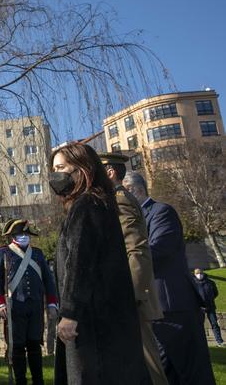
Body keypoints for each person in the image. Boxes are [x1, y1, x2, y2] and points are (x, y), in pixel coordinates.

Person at [50, 143, 146, 385]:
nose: (55, 175)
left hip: (91, 322)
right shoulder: (98, 203)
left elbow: (80, 262)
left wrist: (70, 313)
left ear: (82, 169)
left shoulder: (85, 206)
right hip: (107, 319)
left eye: (61, 167)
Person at [124, 171, 216, 384]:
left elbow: (158, 251)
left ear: (135, 191)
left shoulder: (161, 212)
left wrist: (123, 260)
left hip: (173, 306)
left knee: (189, 371)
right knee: (163, 372)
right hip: (153, 308)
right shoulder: (135, 220)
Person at [99, 153, 167, 385]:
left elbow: (135, 248)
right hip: (125, 294)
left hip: (131, 298)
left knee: (148, 364)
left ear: (110, 172)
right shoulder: (115, 198)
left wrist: (133, 293)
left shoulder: (120, 199)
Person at [0, 219, 58, 385]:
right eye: (21, 234)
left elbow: (49, 281)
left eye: (26, 234)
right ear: (13, 236)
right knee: (17, 346)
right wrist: (0, 303)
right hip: (15, 306)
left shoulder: (37, 253)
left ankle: (38, 380)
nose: (24, 237)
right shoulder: (4, 253)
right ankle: (21, 380)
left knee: (35, 344)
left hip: (35, 306)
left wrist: (51, 303)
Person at [194, 268, 223, 346]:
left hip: (210, 306)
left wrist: (210, 299)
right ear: (194, 274)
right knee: (199, 325)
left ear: (203, 273)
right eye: (197, 273)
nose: (199, 275)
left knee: (214, 324)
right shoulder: (193, 283)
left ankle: (219, 341)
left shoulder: (210, 282)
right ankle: (201, 343)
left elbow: (215, 293)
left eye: (200, 273)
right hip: (199, 307)